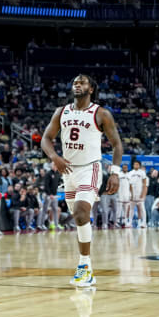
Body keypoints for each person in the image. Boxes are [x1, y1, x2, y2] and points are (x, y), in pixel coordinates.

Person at [41, 74, 121, 288]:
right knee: (78, 217)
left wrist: (115, 172)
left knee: (80, 213)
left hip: (90, 168)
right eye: (75, 82)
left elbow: (117, 144)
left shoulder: (101, 113)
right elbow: (46, 139)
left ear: (91, 89)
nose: (77, 84)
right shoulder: (62, 112)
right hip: (68, 170)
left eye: (82, 82)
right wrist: (55, 157)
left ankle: (84, 266)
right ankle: (87, 266)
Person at [128, 160, 147, 228]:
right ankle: (130, 222)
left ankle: (144, 222)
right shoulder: (130, 173)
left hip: (140, 192)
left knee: (142, 208)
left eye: (137, 164)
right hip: (133, 193)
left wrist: (143, 193)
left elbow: (144, 184)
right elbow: (129, 185)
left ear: (139, 165)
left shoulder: (142, 173)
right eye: (134, 164)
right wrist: (130, 194)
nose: (136, 165)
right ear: (133, 165)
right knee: (131, 209)